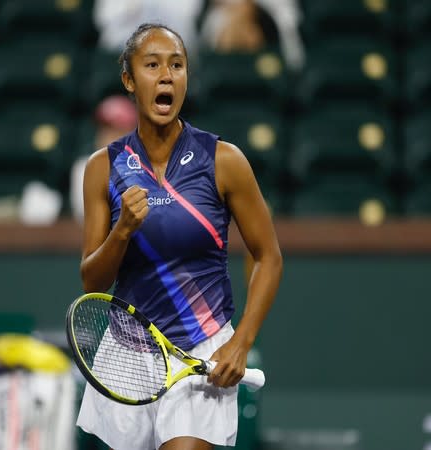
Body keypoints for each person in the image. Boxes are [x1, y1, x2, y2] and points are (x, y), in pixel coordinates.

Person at [76, 23, 283, 450]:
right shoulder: (102, 168)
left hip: (201, 348)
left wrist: (241, 343)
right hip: (127, 354)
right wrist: (122, 232)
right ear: (130, 80)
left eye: (177, 65)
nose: (167, 75)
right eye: (152, 65)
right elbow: (91, 281)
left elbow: (268, 256)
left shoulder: (224, 161)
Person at [69, 95, 138, 223]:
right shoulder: (84, 167)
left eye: (117, 130)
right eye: (105, 129)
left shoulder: (145, 167)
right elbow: (85, 216)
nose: (108, 137)